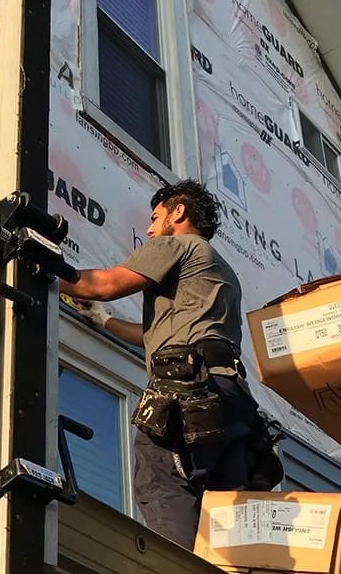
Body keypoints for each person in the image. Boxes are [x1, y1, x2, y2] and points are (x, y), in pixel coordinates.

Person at [59, 179, 279, 549]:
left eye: (155, 217)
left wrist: (44, 265)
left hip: (188, 391)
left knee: (161, 480)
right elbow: (159, 334)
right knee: (225, 517)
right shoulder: (221, 271)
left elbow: (103, 284)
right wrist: (103, 320)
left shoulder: (176, 244)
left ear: (178, 212)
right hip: (232, 402)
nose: (148, 229)